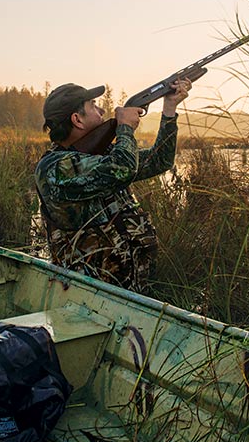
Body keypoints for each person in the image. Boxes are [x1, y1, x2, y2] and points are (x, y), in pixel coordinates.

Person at [35, 79, 190, 291]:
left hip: (130, 290)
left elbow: (159, 160)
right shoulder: (55, 168)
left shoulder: (102, 155)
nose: (102, 110)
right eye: (93, 106)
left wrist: (169, 110)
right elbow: (123, 167)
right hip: (90, 296)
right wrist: (125, 128)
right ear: (77, 119)